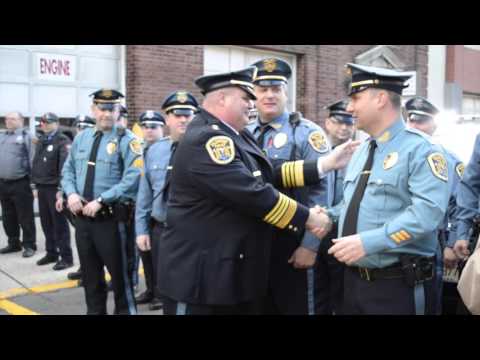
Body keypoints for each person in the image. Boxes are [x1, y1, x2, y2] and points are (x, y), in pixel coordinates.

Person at [156, 67, 348, 315]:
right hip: (199, 280)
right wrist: (309, 219)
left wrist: (324, 164)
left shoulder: (237, 135)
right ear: (222, 99)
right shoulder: (207, 139)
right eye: (246, 98)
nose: (252, 103)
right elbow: (251, 193)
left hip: (226, 274)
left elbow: (267, 171)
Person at [325, 63, 449, 315]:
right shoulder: (362, 150)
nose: (349, 108)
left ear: (380, 98)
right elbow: (355, 204)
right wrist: (328, 216)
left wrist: (370, 242)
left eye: (356, 98)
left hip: (397, 286)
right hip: (353, 283)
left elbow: (427, 215)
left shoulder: (421, 150)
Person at [246, 57, 334, 314]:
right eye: (263, 89)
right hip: (253, 244)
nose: (270, 95)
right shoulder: (244, 133)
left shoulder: (306, 132)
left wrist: (309, 245)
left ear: (286, 92)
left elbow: (321, 195)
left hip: (292, 241)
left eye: (276, 89)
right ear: (254, 93)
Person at [61, 89, 142, 315]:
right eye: (102, 108)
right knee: (90, 277)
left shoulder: (128, 140)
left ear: (118, 111)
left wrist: (102, 200)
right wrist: (71, 194)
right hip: (83, 221)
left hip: (112, 220)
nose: (106, 114)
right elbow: (68, 170)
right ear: (93, 110)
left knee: (120, 279)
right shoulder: (81, 138)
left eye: (112, 109)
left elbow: (133, 177)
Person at [136, 91, 199, 311]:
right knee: (165, 286)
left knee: (190, 289)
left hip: (191, 232)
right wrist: (141, 230)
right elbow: (145, 195)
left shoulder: (204, 148)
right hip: (161, 229)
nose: (183, 119)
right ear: (168, 118)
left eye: (188, 114)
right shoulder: (155, 150)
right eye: (177, 114)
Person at [404, 96, 464, 314]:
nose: (414, 125)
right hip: (398, 241)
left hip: (431, 243)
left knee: (428, 302)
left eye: (421, 121)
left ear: (433, 125)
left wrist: (451, 243)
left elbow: (460, 205)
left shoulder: (449, 160)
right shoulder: (396, 155)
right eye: (410, 120)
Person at [314, 99, 356, 314]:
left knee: (341, 295)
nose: (344, 128)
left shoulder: (360, 153)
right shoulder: (315, 152)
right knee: (316, 293)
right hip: (313, 231)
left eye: (349, 123)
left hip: (342, 234)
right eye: (339, 122)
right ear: (327, 123)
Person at [32, 112, 73, 270]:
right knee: (46, 222)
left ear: (56, 123)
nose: (44, 125)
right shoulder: (42, 140)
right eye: (42, 122)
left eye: (48, 122)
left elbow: (64, 167)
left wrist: (60, 191)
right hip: (42, 187)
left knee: (59, 224)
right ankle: (51, 253)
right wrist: (34, 185)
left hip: (54, 188)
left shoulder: (62, 140)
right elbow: (36, 163)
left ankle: (66, 257)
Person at [0, 111, 37, 257]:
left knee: (25, 216)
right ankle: (13, 243)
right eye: (7, 119)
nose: (9, 121)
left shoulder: (28, 137)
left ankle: (29, 245)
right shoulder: (2, 136)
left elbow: (33, 160)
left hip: (21, 182)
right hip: (3, 183)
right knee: (8, 215)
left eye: (13, 119)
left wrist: (33, 184)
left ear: (21, 120)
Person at [64, 114, 96, 282]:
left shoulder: (97, 146)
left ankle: (92, 271)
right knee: (83, 240)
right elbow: (67, 171)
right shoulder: (76, 147)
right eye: (79, 127)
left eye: (85, 127)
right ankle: (85, 269)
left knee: (96, 242)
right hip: (73, 200)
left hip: (92, 202)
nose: (81, 130)